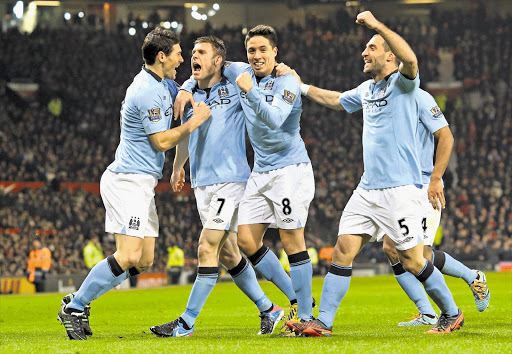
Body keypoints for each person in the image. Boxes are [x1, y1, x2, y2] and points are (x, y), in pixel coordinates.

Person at [285, 11, 464, 336]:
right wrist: (302, 87)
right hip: (367, 190)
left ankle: (451, 313)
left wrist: (378, 25)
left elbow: (410, 60)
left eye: (371, 47)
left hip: (401, 192)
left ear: (389, 55)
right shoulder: (367, 90)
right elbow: (338, 100)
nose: (364, 53)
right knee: (343, 250)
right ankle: (322, 322)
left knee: (412, 260)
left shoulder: (405, 85)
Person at [57, 27, 211, 341]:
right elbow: (159, 142)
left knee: (144, 259)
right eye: (178, 53)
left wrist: (187, 89)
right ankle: (75, 307)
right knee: (128, 255)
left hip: (142, 183)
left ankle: (81, 300)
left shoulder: (162, 83)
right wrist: (195, 121)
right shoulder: (146, 90)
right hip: (127, 181)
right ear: (161, 56)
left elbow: (181, 100)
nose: (182, 58)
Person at [176, 25, 315, 335]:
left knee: (287, 240)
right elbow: (214, 66)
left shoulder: (275, 80)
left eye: (263, 49)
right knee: (243, 243)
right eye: (252, 50)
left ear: (275, 52)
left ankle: (304, 311)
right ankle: (275, 307)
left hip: (282, 170)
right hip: (253, 173)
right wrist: (186, 84)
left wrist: (252, 89)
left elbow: (276, 118)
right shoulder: (236, 73)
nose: (256, 55)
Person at [150, 36, 283, 338]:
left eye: (200, 53)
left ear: (218, 61)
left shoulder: (234, 86)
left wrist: (194, 81)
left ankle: (186, 323)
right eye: (192, 52)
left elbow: (244, 69)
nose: (193, 57)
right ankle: (269, 310)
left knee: (206, 246)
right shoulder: (190, 94)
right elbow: (187, 133)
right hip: (202, 183)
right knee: (228, 254)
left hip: (231, 180)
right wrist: (177, 165)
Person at [379, 89, 489, 326]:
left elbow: (446, 137)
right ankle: (427, 313)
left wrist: (436, 178)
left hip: (422, 185)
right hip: (399, 186)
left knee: (421, 255)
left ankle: (473, 277)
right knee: (390, 248)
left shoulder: (420, 98)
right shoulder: (384, 101)